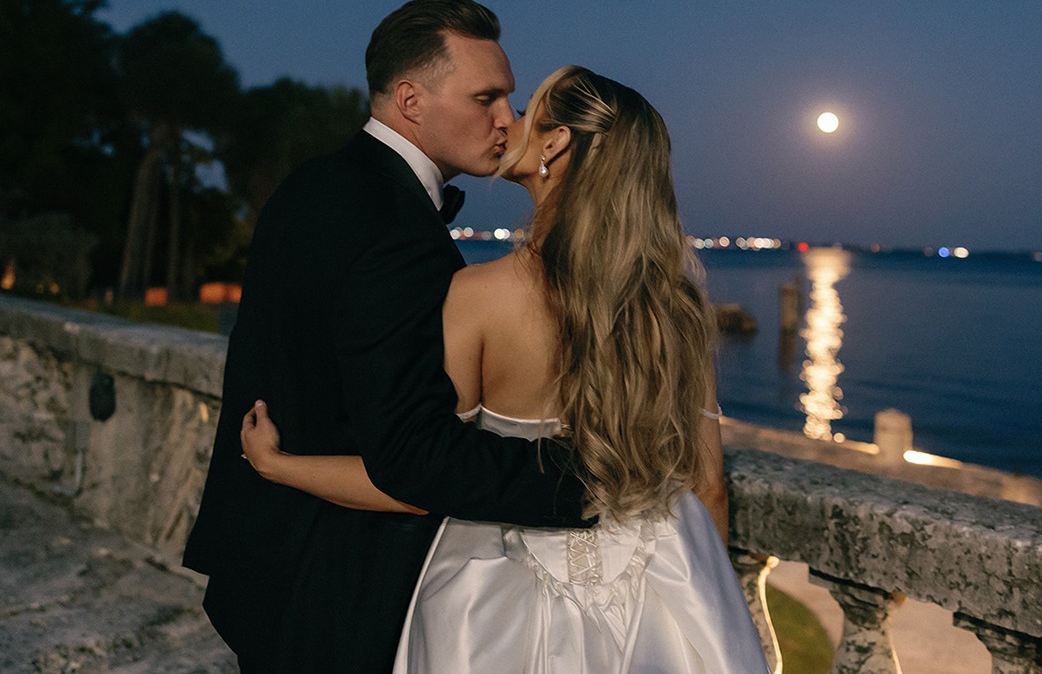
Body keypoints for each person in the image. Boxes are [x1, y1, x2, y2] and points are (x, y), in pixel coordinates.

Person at [240, 66, 771, 672]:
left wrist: (278, 465)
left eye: (525, 111)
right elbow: (709, 487)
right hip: (665, 585)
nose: (505, 121)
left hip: (496, 602)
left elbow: (421, 477)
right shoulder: (673, 305)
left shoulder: (479, 295)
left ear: (555, 142)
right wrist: (713, 596)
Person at [182, 0, 591, 673]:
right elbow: (414, 454)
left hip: (264, 555)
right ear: (411, 100)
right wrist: (593, 479)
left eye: (509, 100)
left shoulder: (312, 184)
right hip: (338, 581)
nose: (507, 120)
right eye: (486, 97)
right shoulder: (396, 232)